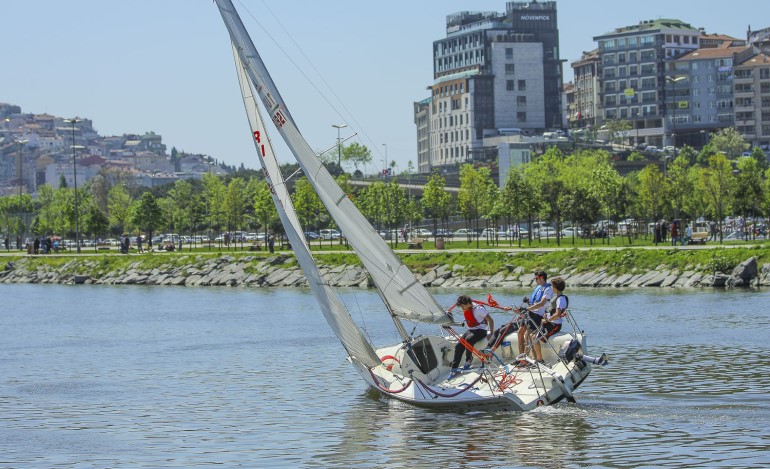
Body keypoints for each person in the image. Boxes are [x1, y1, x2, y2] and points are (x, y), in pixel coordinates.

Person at [449, 295, 494, 374]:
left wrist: (491, 333)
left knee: (468, 340)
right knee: (458, 345)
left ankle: (469, 359)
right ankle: (454, 367)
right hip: (471, 330)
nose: (462, 309)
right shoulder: (467, 307)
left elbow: (491, 320)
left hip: (481, 330)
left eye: (463, 307)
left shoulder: (479, 309)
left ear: (468, 304)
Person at [516, 270, 553, 366]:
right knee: (520, 332)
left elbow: (542, 303)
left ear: (541, 278)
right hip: (529, 313)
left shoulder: (548, 289)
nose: (535, 280)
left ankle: (529, 359)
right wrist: (528, 302)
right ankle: (521, 358)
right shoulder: (538, 287)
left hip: (537, 315)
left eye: (536, 278)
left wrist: (528, 308)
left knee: (527, 336)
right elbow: (533, 303)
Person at [539, 276, 568, 354]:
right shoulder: (558, 297)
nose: (551, 287)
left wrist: (547, 320)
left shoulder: (560, 299)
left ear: (555, 287)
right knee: (533, 336)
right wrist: (547, 315)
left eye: (552, 286)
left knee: (536, 339)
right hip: (551, 323)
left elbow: (557, 315)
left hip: (555, 325)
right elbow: (553, 311)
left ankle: (539, 360)